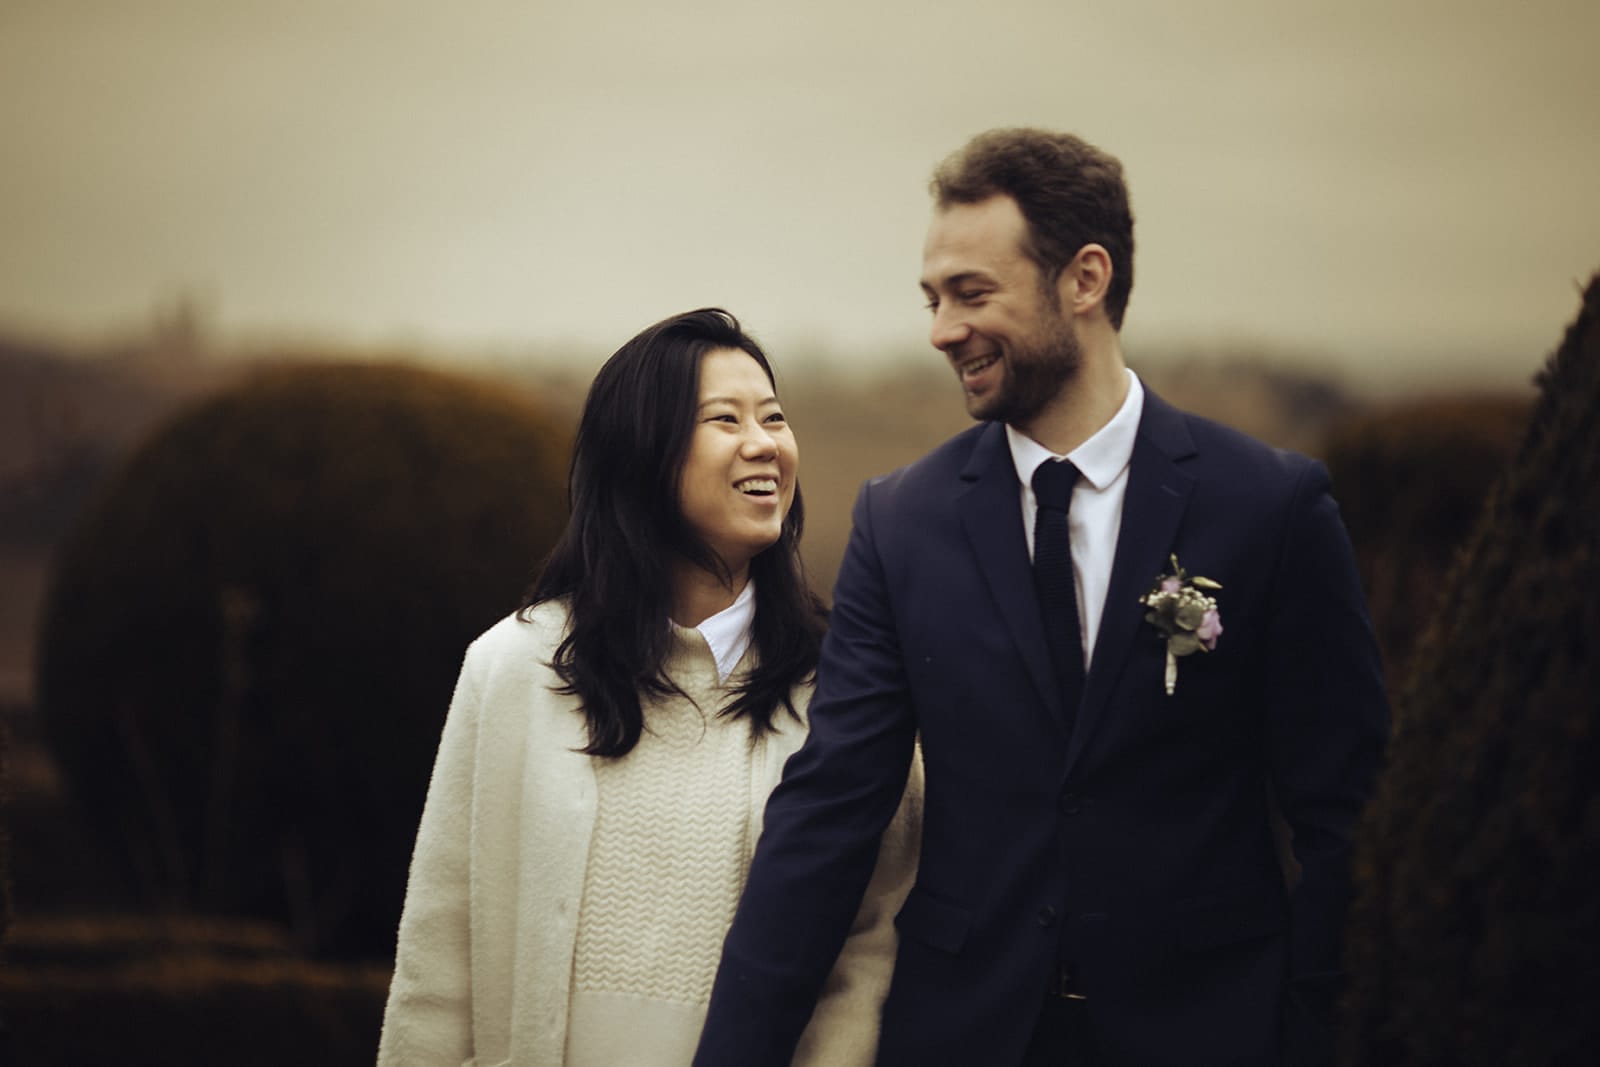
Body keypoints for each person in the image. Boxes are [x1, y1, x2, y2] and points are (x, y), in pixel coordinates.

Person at [694, 131, 1390, 1066]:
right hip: (965, 1034)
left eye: (972, 293)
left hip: (1207, 1031)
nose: (943, 329)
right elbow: (829, 811)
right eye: (934, 299)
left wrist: (1317, 1038)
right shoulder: (901, 523)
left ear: (1085, 280)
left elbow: (1350, 816)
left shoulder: (1269, 506)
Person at [377, 308, 920, 1066]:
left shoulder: (845, 688)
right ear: (642, 453)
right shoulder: (514, 666)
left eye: (773, 417)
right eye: (725, 419)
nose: (764, 443)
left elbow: (871, 943)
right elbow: (441, 949)